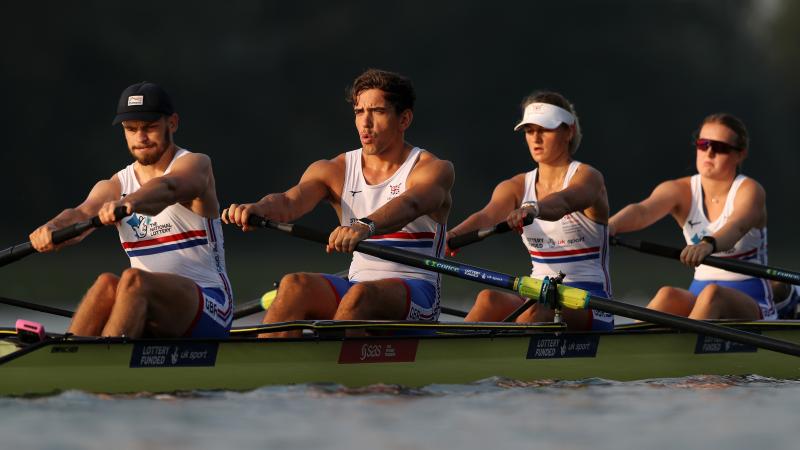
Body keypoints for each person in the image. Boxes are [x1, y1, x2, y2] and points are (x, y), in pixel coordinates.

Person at [223, 69, 454, 336]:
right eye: (359, 112)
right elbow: (289, 201)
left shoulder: (433, 169)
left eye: (377, 112)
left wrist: (365, 226)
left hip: (418, 293)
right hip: (357, 287)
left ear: (404, 119)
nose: (365, 123)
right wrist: (258, 209)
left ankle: (335, 370)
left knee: (359, 296)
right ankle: (264, 372)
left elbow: (411, 204)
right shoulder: (334, 170)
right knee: (294, 285)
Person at [29, 82, 233, 338]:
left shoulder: (195, 164)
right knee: (106, 284)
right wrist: (52, 228)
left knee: (134, 280)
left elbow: (169, 187)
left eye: (149, 128)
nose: (140, 138)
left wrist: (131, 202)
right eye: (131, 129)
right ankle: (65, 360)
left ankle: (103, 362)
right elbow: (80, 214)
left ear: (172, 123)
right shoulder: (115, 185)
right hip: (147, 304)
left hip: (211, 305)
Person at [447, 92, 614, 331]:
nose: (536, 138)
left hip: (590, 301)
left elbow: (564, 203)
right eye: (529, 131)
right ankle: (453, 359)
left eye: (544, 129)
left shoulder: (588, 177)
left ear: (569, 131)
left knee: (535, 310)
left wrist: (533, 208)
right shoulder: (515, 186)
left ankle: (503, 359)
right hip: (538, 294)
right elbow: (487, 216)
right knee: (488, 299)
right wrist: (452, 236)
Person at [608, 113, 776, 320]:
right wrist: (609, 227)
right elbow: (643, 211)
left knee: (713, 294)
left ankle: (683, 347)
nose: (709, 152)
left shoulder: (750, 190)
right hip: (700, 294)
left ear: (740, 154)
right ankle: (631, 350)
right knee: (667, 294)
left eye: (720, 147)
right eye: (703, 144)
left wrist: (708, 244)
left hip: (753, 299)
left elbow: (737, 226)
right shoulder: (680, 190)